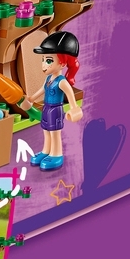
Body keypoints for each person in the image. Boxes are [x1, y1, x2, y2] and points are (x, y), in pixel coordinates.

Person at [25, 31, 81, 163]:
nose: (44, 65)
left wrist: (74, 108)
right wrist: (31, 98)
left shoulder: (62, 82)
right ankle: (46, 151)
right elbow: (42, 89)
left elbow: (70, 94)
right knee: (46, 131)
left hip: (56, 110)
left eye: (49, 61)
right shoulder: (49, 79)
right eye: (43, 60)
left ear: (63, 63)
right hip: (46, 108)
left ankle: (56, 155)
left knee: (54, 133)